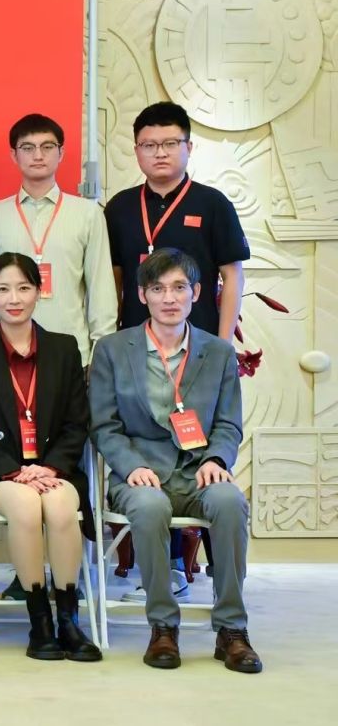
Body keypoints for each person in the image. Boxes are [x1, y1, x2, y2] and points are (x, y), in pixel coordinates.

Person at [90, 249, 260, 673]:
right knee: (150, 508)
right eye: (158, 288)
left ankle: (232, 629)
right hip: (139, 474)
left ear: (197, 293)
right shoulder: (112, 350)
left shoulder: (218, 352)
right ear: (142, 295)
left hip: (200, 470)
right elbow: (104, 425)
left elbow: (228, 422)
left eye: (179, 287)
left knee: (230, 502)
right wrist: (131, 466)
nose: (169, 298)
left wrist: (217, 457)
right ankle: (163, 626)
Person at [0, 254, 101, 661]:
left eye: (23, 288)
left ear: (39, 291)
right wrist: (14, 471)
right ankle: (40, 622)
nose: (13, 299)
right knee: (24, 504)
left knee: (60, 507)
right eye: (2, 289)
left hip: (55, 467)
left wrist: (50, 466)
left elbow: (77, 422)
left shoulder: (64, 348)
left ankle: (69, 620)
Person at [102, 102, 250, 339]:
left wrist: (223, 346)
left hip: (199, 342)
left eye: (170, 143)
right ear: (137, 150)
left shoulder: (213, 204)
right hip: (133, 343)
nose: (160, 153)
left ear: (189, 147)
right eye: (149, 145)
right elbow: (112, 282)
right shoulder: (119, 207)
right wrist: (110, 342)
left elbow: (233, 276)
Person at [0, 114, 116, 357]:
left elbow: (101, 289)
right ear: (14, 155)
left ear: (61, 153)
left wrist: (101, 353)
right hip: (8, 353)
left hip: (73, 351)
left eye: (47, 147)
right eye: (27, 148)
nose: (38, 155)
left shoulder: (88, 214)